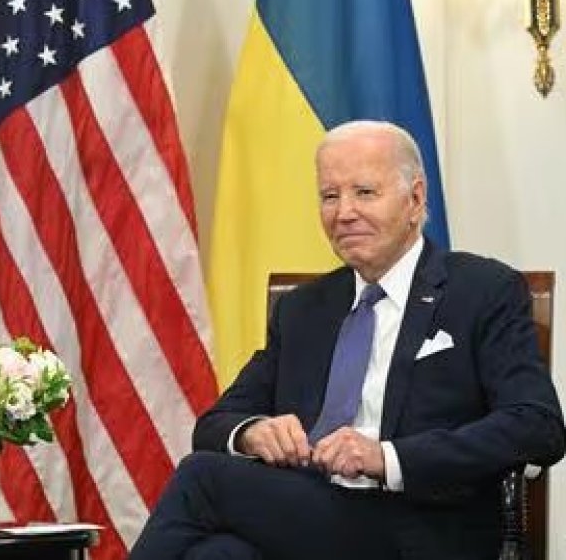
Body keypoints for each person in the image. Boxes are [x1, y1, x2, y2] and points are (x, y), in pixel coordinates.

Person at [129, 121, 565, 560]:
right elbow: (216, 423)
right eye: (330, 196)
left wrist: (387, 458)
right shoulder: (304, 309)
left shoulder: (482, 289)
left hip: (422, 525)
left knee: (202, 478)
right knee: (218, 556)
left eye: (365, 193)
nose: (344, 213)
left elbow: (537, 426)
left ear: (415, 199)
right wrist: (254, 433)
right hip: (316, 511)